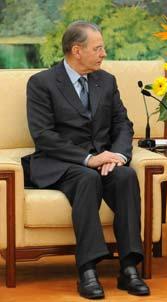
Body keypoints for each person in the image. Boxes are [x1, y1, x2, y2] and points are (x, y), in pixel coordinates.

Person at [22, 21, 150, 299]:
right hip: (61, 162)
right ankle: (87, 270)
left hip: (104, 158)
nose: (104, 53)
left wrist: (117, 156)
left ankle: (129, 268)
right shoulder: (42, 83)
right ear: (76, 50)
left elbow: (122, 124)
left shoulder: (106, 81)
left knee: (127, 175)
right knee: (87, 177)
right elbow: (43, 136)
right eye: (98, 48)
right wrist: (88, 158)